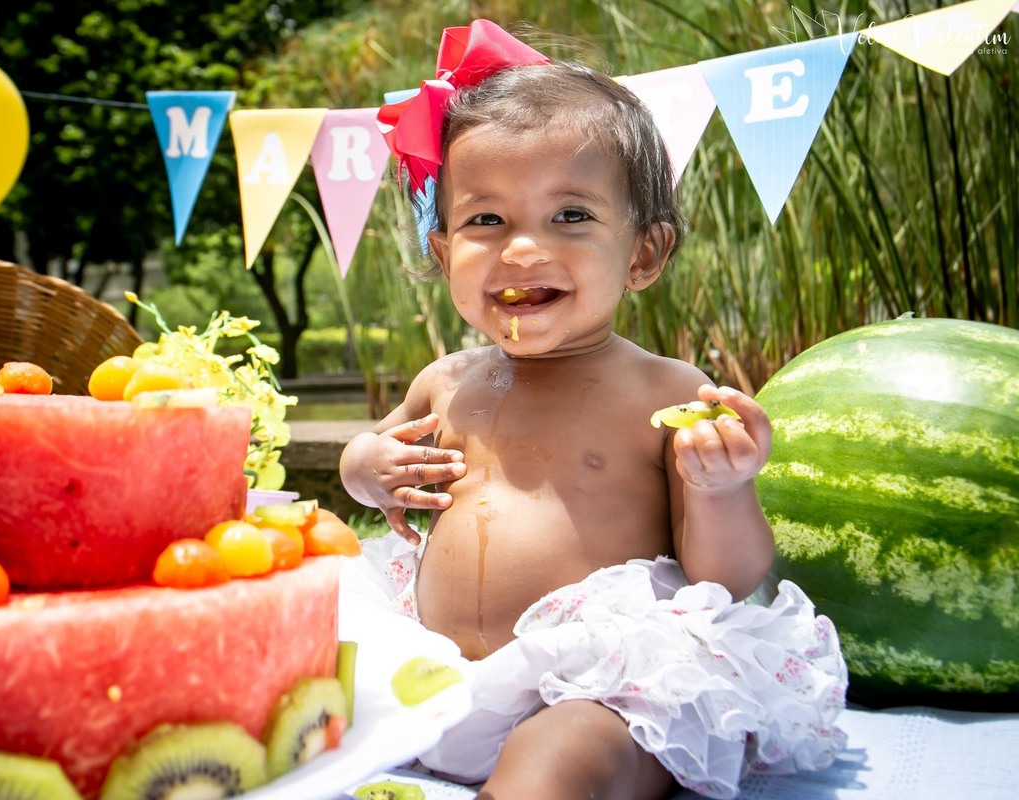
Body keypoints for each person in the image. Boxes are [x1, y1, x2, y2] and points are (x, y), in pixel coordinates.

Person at [339, 19, 847, 800]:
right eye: (486, 220)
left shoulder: (666, 393)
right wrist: (364, 467)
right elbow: (372, 453)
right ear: (444, 255)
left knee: (567, 756)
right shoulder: (446, 380)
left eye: (570, 216)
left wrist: (721, 490)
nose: (521, 248)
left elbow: (729, 577)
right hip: (436, 669)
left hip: (599, 682)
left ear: (642, 254)